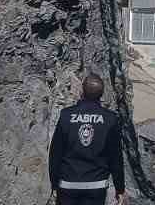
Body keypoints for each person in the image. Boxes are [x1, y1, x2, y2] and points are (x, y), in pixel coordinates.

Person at [48, 74, 127, 205]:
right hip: (96, 187)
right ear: (101, 95)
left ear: (82, 92)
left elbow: (55, 154)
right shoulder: (110, 119)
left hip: (68, 186)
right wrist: (120, 189)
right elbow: (116, 158)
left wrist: (54, 184)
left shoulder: (66, 115)